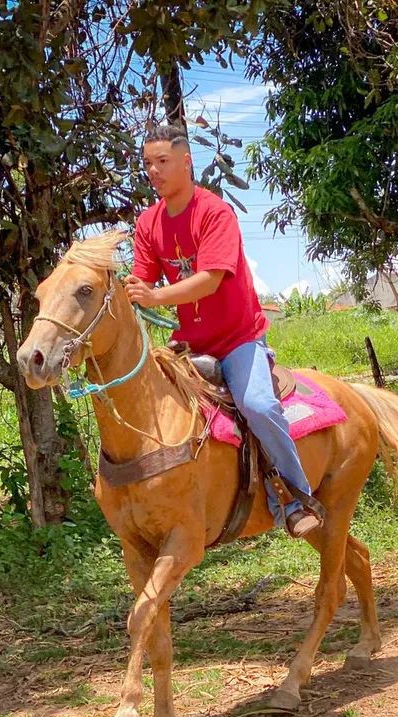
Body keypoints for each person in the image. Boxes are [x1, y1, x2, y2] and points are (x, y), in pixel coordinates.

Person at [123, 124, 321, 538]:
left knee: (257, 405)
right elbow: (141, 281)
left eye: (162, 162)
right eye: (148, 164)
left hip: (238, 340)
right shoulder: (148, 222)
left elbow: (210, 279)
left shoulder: (214, 213)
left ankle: (295, 498)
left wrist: (155, 297)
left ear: (186, 162)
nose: (154, 171)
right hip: (189, 344)